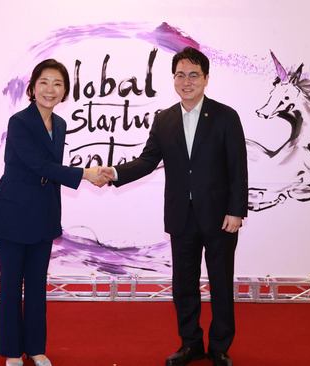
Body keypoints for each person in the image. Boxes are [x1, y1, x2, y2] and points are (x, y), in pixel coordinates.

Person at [100, 47, 248, 366]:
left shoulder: (226, 116)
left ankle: (219, 347)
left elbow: (238, 167)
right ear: (174, 80)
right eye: (180, 75)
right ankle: (190, 343)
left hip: (221, 218)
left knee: (221, 283)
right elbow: (147, 161)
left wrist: (236, 211)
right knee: (184, 285)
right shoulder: (164, 119)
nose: (186, 81)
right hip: (181, 217)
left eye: (194, 74)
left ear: (206, 79)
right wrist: (113, 173)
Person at [0, 59, 110, 366]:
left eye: (58, 84)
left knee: (38, 284)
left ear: (65, 91)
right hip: (12, 214)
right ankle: (13, 352)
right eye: (44, 82)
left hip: (43, 214)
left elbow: (49, 172)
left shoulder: (61, 125)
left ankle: (37, 349)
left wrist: (77, 178)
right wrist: (85, 174)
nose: (50, 90)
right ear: (32, 87)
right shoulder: (19, 122)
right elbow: (39, 165)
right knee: (12, 285)